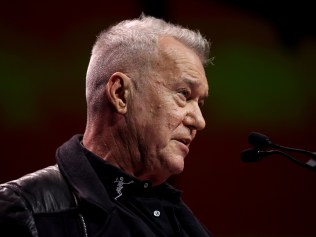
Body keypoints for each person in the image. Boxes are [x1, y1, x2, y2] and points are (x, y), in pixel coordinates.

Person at [0, 15, 212, 236]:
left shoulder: (183, 220)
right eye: (183, 94)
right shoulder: (24, 210)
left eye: (200, 102)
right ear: (120, 94)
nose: (199, 121)